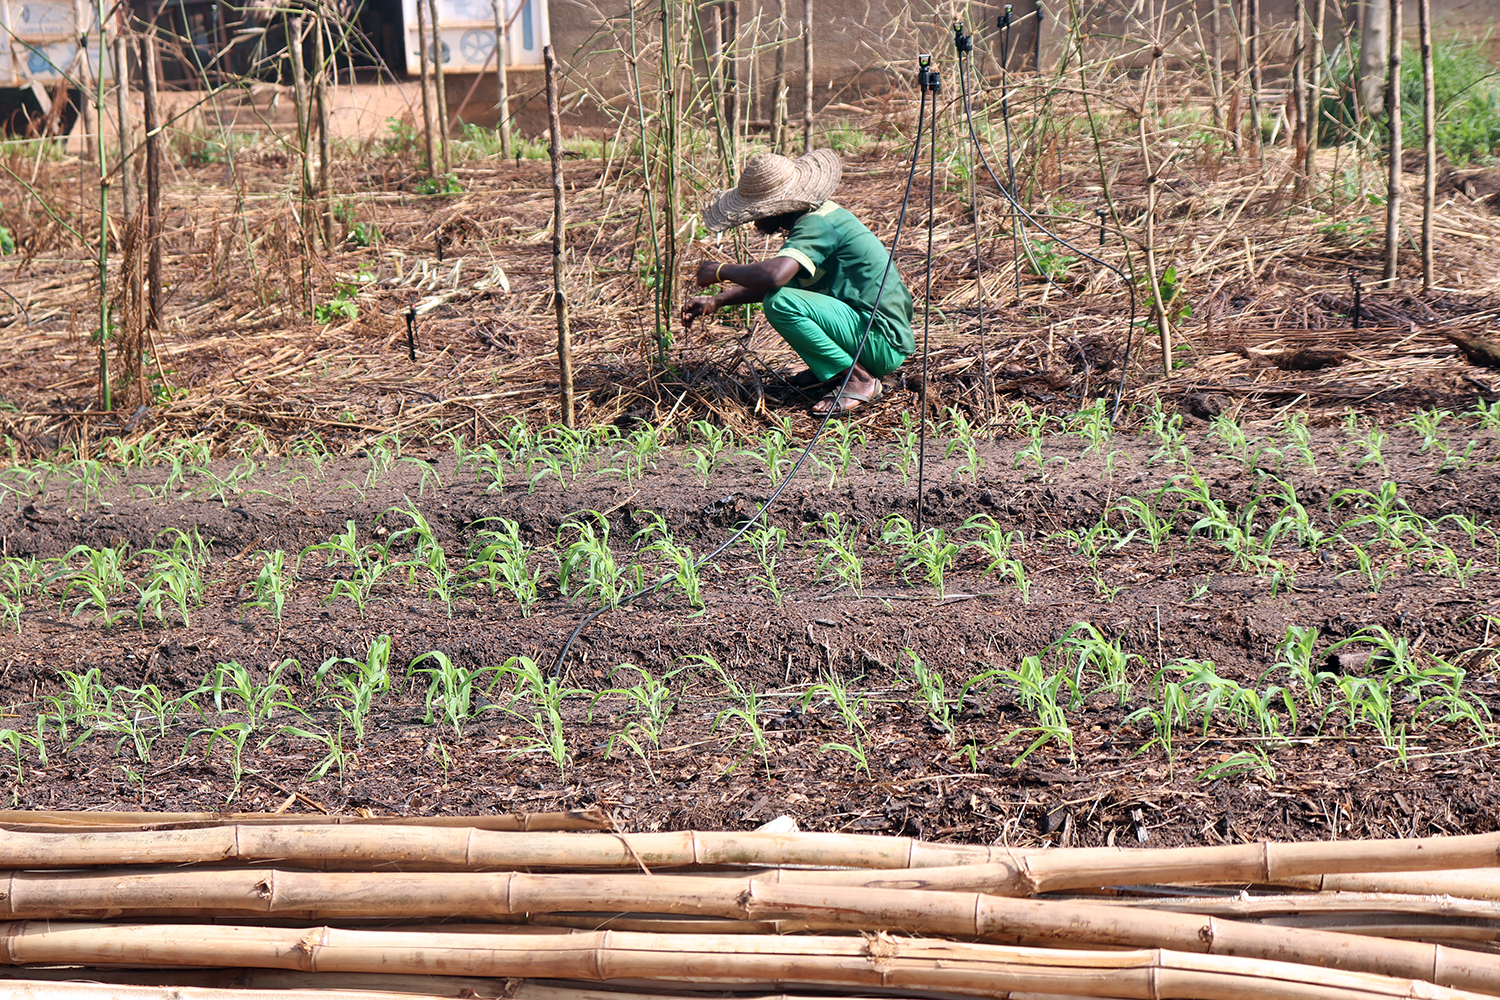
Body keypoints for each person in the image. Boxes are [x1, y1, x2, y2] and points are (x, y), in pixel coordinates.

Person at [682, 149, 914, 417]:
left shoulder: (818, 224)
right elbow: (785, 281)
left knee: (779, 303)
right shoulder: (816, 219)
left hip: (880, 341)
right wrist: (716, 301)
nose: (755, 222)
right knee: (783, 296)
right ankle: (837, 371)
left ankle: (859, 379)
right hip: (874, 337)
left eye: (756, 214)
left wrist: (722, 270)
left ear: (777, 209)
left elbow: (774, 278)